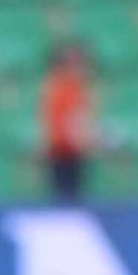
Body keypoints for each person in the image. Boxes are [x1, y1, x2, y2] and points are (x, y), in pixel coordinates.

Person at [39, 42, 96, 202]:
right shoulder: (59, 89)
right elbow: (65, 129)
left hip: (74, 156)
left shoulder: (78, 89)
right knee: (65, 202)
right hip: (63, 156)